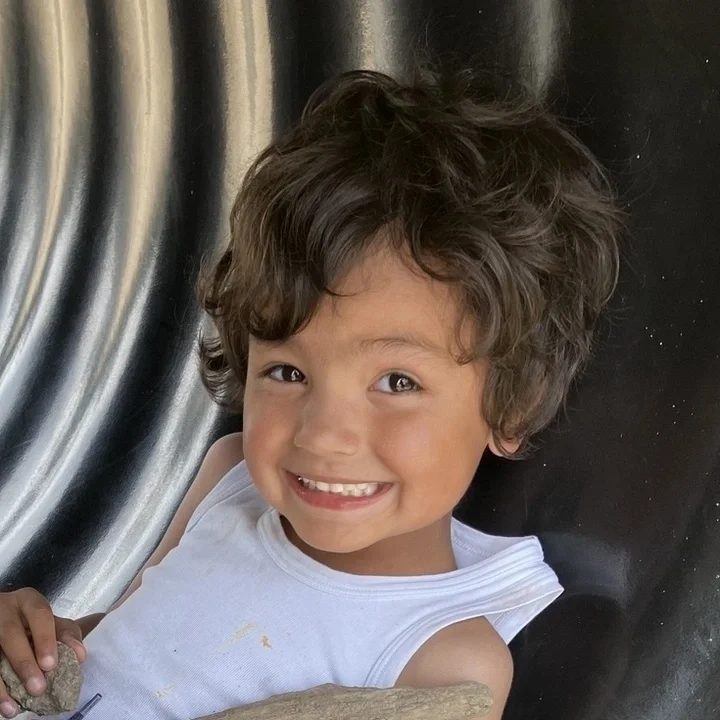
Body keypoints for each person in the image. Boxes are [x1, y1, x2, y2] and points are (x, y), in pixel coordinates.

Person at [0, 62, 623, 720]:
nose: (323, 434)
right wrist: (38, 646)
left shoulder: (445, 658)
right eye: (288, 372)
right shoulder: (230, 478)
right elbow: (127, 647)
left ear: (513, 403)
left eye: (397, 382)